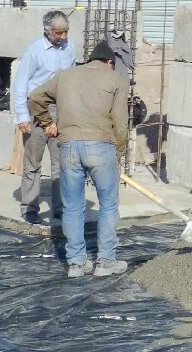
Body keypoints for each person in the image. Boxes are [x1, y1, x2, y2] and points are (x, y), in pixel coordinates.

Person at [28, 40, 129, 279]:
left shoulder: (65, 76)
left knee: (72, 207)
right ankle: (105, 262)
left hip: (69, 146)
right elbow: (120, 121)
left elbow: (35, 97)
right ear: (110, 62)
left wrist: (47, 123)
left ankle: (76, 264)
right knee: (108, 205)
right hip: (101, 146)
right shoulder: (116, 79)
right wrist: (120, 151)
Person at [11, 10, 75, 224]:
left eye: (65, 32)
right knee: (33, 162)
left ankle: (60, 208)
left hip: (61, 110)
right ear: (47, 31)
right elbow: (20, 85)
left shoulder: (69, 48)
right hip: (36, 109)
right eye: (58, 33)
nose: (63, 37)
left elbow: (72, 80)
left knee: (61, 163)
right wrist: (22, 117)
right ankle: (29, 207)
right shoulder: (34, 52)